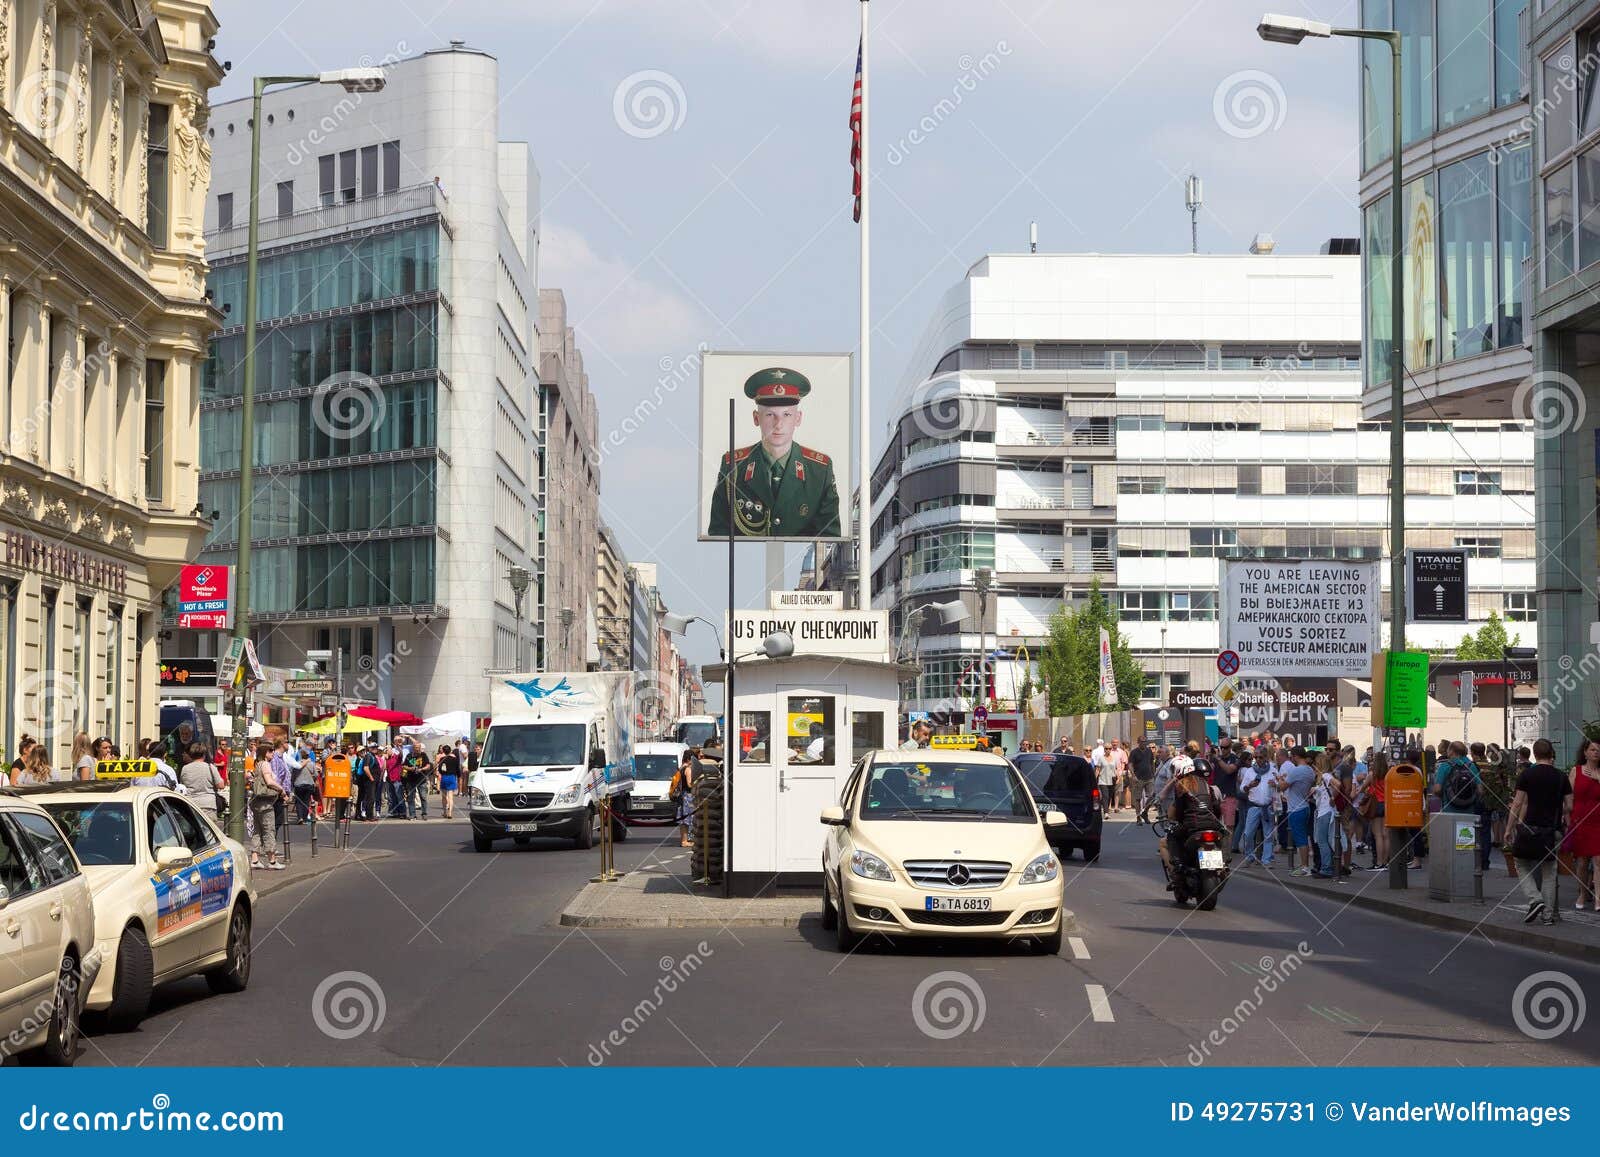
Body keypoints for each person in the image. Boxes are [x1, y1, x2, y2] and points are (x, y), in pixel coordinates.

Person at [707, 366, 841, 538]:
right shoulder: (733, 466)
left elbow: (830, 539)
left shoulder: (819, 470)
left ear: (798, 418)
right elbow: (719, 535)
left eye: (787, 415)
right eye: (770, 415)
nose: (778, 424)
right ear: (756, 418)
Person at [1506, 738, 1573, 925]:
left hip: (1529, 829)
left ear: (1535, 755)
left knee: (1521, 863)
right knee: (1550, 872)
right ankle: (1548, 916)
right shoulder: (1562, 776)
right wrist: (1559, 811)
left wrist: (1509, 828)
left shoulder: (1527, 775)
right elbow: (1570, 805)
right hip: (1553, 831)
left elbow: (1518, 803)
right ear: (1551, 754)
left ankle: (1535, 899)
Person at [1158, 764, 1224, 887]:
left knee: (1169, 838)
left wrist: (1177, 818)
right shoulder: (1208, 787)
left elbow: (1178, 813)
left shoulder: (1183, 786)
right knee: (1221, 836)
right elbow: (1217, 808)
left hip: (1192, 826)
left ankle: (1176, 869)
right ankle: (1221, 866)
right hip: (1212, 825)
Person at [1563, 737, 1600, 911]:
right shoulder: (1576, 771)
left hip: (1598, 821)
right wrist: (1568, 820)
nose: (1596, 752)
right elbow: (1569, 797)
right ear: (1585, 752)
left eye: (1598, 750)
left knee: (1598, 860)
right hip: (1580, 821)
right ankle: (1582, 893)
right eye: (1592, 749)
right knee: (1582, 862)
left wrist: (1598, 778)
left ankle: (1598, 898)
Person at [1239, 749, 1283, 868]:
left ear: (1266, 758)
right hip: (1253, 806)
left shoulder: (1273, 771)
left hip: (1268, 807)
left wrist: (1276, 785)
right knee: (1248, 833)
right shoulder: (1249, 771)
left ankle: (1267, 859)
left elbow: (1281, 787)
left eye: (1261, 757)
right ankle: (1249, 856)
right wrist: (1249, 786)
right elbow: (1242, 789)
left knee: (1268, 835)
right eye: (1256, 757)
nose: (1258, 760)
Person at [248, 743, 286, 871]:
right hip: (265, 802)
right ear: (264, 752)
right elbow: (269, 781)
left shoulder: (257, 764)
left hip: (256, 802)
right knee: (269, 830)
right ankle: (272, 860)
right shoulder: (265, 764)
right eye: (270, 751)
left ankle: (254, 859)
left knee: (257, 830)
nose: (273, 753)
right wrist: (281, 789)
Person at [1282, 747, 1316, 877]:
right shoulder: (1309, 770)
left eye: (1291, 756)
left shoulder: (1296, 770)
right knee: (1304, 837)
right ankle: (1304, 865)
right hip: (1305, 805)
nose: (1291, 759)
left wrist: (1279, 779)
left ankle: (1305, 867)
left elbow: (1282, 786)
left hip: (1296, 808)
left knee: (1300, 839)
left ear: (1295, 756)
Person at [179, 742, 225, 819]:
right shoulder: (210, 767)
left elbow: (182, 785)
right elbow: (221, 785)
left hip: (191, 804)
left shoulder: (185, 768)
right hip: (208, 805)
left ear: (191, 754)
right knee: (208, 830)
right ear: (204, 754)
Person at [671, 750, 696, 847]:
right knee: (688, 819)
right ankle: (686, 841)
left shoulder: (680, 768)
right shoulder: (688, 769)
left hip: (681, 796)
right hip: (688, 797)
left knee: (683, 820)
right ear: (689, 759)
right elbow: (689, 784)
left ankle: (683, 840)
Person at [404, 744, 432, 819]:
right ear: (413, 748)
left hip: (421, 779)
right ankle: (412, 815)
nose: (417, 749)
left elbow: (428, 765)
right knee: (411, 798)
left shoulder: (423, 755)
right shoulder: (409, 756)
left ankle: (424, 813)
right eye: (416, 748)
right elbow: (404, 766)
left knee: (423, 797)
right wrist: (411, 768)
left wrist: (422, 769)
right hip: (411, 779)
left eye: (418, 748)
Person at [436, 744, 461, 819]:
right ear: (450, 751)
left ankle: (444, 812)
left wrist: (442, 773)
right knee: (450, 797)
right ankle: (450, 813)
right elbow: (457, 769)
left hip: (444, 777)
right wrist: (459, 776)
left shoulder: (442, 759)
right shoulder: (455, 759)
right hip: (452, 777)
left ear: (443, 751)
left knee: (444, 796)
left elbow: (440, 769)